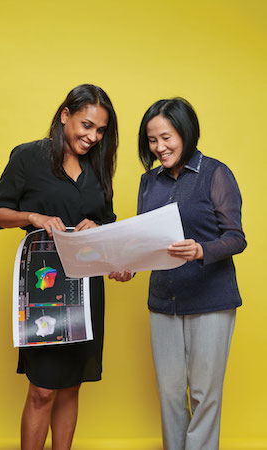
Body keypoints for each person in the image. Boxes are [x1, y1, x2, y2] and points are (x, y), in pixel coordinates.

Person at [0, 84, 118, 450]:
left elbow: (108, 221)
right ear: (65, 115)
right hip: (44, 287)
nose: (93, 137)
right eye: (87, 125)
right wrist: (33, 216)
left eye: (101, 130)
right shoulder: (28, 157)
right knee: (42, 390)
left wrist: (100, 227)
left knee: (72, 386)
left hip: (86, 289)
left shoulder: (98, 166)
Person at [111, 97, 246, 450]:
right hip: (163, 301)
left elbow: (236, 238)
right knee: (170, 394)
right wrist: (129, 267)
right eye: (152, 140)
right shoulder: (148, 182)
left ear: (186, 133)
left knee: (204, 394)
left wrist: (201, 250)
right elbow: (146, 243)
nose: (159, 147)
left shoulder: (216, 173)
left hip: (211, 300)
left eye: (167, 138)